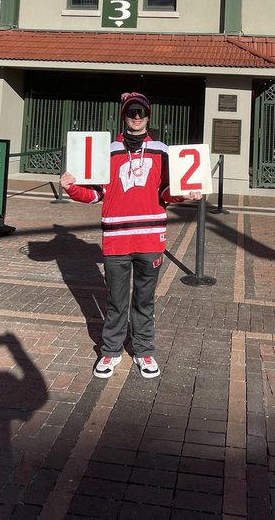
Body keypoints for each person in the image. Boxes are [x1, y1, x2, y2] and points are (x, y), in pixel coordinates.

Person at [60, 92, 201, 379]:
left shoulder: (161, 149)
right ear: (123, 115)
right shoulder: (107, 149)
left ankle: (143, 349)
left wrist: (184, 195)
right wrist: (72, 188)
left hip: (150, 239)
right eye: (131, 113)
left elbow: (165, 190)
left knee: (144, 300)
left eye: (141, 113)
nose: (137, 118)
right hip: (116, 240)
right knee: (116, 300)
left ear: (148, 116)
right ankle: (110, 351)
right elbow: (97, 193)